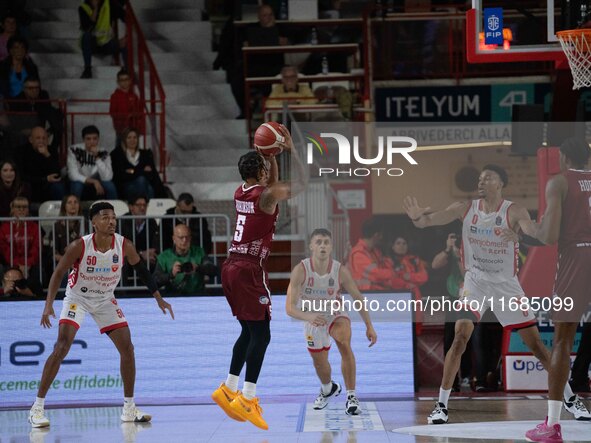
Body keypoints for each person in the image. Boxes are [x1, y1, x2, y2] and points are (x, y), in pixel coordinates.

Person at [403, 164, 591, 426]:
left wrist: (521, 236)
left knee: (537, 347)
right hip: (476, 283)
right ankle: (441, 405)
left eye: (488, 178)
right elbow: (430, 220)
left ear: (501, 183)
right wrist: (417, 218)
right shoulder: (465, 208)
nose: (481, 182)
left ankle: (570, 398)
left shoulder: (513, 211)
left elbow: (534, 230)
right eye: (480, 179)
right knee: (460, 337)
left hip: (506, 286)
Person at [28, 201, 174, 428]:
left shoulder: (124, 245)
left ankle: (128, 408)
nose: (111, 221)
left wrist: (158, 298)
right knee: (62, 347)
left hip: (105, 300)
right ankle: (36, 408)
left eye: (113, 217)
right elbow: (58, 274)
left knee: (128, 348)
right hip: (78, 299)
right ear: (94, 223)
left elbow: (142, 270)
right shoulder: (80, 245)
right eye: (105, 217)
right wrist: (48, 305)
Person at [211, 124, 306, 430]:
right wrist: (289, 150)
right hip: (249, 268)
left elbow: (272, 186)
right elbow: (301, 183)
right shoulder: (266, 196)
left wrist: (270, 155)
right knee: (262, 335)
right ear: (261, 173)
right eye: (266, 168)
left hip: (230, 266)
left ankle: (228, 387)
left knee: (248, 333)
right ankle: (248, 398)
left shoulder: (242, 191)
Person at [524, 138, 591, 441]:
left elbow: (548, 236)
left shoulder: (560, 183)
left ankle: (552, 425)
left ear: (564, 158)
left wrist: (523, 230)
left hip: (577, 258)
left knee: (563, 340)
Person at [286, 228, 377, 415]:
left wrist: (369, 325)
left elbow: (358, 298)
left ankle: (351, 396)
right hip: (312, 318)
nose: (322, 245)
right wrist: (309, 316)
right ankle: (328, 388)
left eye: (326, 242)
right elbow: (290, 308)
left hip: (335, 314)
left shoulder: (339, 270)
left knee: (344, 341)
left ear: (331, 247)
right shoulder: (300, 270)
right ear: (311, 246)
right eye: (318, 242)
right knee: (320, 364)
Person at [431, 233, 471, 392]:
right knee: (449, 339)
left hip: (469, 298)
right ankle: (451, 380)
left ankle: (467, 376)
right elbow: (435, 264)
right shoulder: (448, 253)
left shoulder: (468, 254)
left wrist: (458, 254)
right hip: (452, 299)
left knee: (465, 338)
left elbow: (465, 274)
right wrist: (448, 250)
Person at [347, 217, 410, 291]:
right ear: (376, 235)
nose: (381, 237)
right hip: (365, 296)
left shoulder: (374, 252)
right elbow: (376, 274)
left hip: (374, 294)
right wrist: (393, 273)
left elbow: (383, 268)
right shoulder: (358, 254)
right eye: (381, 235)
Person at [153, 224, 216, 295]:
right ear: (174, 238)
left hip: (197, 295)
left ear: (190, 238)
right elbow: (155, 281)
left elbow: (213, 270)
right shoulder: (164, 256)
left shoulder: (199, 252)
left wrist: (198, 268)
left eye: (187, 237)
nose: (184, 240)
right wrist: (171, 274)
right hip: (173, 296)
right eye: (181, 237)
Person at [8, 76, 64, 154]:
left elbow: (50, 113)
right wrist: (26, 131)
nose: (34, 90)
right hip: (24, 131)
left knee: (57, 128)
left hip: (40, 130)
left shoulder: (43, 96)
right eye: (30, 88)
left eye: (37, 88)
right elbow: (13, 122)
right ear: (24, 89)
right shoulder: (17, 101)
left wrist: (47, 131)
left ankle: (51, 153)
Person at [110, 128, 164, 200]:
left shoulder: (146, 154)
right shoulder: (117, 154)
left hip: (145, 185)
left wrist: (132, 171)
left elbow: (151, 174)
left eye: (135, 137)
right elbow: (121, 175)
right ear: (124, 139)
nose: (132, 140)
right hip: (125, 187)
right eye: (129, 137)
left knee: (148, 186)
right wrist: (142, 170)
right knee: (141, 180)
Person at [67, 125, 117, 199]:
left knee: (110, 186)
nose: (92, 142)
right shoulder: (74, 150)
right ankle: (75, 208)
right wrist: (93, 181)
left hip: (98, 180)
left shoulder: (104, 152)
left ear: (98, 139)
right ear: (83, 140)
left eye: (94, 139)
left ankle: (114, 209)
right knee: (77, 186)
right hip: (81, 180)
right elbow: (73, 174)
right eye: (88, 139)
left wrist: (97, 157)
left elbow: (108, 177)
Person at [17, 127, 66, 203]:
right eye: (38, 138)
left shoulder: (51, 150)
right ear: (31, 140)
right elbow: (21, 176)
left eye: (44, 138)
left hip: (46, 186)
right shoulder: (21, 152)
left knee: (58, 187)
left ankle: (62, 212)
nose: (41, 141)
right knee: (25, 187)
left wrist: (47, 155)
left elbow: (57, 175)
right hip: (30, 184)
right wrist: (44, 179)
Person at [78, 0, 125, 79]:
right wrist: (95, 10)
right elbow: (87, 28)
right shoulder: (83, 8)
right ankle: (87, 69)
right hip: (92, 46)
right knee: (86, 36)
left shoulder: (109, 4)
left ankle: (126, 71)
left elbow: (125, 16)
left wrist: (126, 36)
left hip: (106, 43)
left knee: (125, 43)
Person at [0, 196, 39, 276]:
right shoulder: (4, 227)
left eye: (24, 207)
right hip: (9, 264)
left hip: (30, 265)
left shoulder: (34, 227)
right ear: (12, 209)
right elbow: (5, 250)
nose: (21, 210)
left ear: (28, 210)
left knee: (39, 272)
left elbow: (36, 248)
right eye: (18, 207)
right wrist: (17, 265)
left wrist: (27, 264)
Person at [120, 195, 159, 270]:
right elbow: (121, 245)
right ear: (131, 207)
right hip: (127, 257)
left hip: (146, 257)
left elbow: (156, 241)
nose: (142, 208)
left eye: (144, 205)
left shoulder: (151, 221)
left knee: (156, 261)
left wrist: (152, 252)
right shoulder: (122, 221)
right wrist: (140, 253)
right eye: (138, 205)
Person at [109, 69, 145, 139]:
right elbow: (112, 112)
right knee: (120, 148)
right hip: (121, 129)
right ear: (118, 82)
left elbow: (140, 111)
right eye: (122, 80)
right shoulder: (114, 96)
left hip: (133, 128)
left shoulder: (134, 96)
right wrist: (127, 116)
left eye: (126, 79)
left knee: (132, 149)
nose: (124, 82)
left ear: (130, 81)